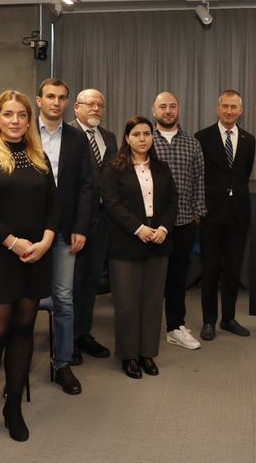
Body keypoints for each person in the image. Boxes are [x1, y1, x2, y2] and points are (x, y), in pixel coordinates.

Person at [0, 90, 61, 455]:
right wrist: (13, 242)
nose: (16, 120)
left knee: (24, 327)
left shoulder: (39, 156)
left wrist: (46, 241)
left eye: (22, 114)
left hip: (36, 255)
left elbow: (54, 203)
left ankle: (12, 406)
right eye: (8, 114)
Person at [101, 116, 178, 378]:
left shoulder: (162, 168)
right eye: (136, 134)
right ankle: (128, 356)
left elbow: (172, 202)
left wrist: (164, 230)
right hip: (126, 242)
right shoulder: (114, 169)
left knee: (153, 302)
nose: (142, 139)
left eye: (147, 134)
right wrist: (138, 228)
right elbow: (112, 205)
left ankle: (147, 354)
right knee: (126, 303)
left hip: (158, 241)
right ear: (127, 138)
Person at [36, 78, 94, 395]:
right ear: (38, 100)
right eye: (50, 96)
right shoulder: (23, 131)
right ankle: (15, 366)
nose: (56, 102)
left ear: (68, 103)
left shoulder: (76, 137)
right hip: (27, 231)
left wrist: (81, 228)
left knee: (64, 299)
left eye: (61, 98)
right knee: (24, 301)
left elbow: (87, 185)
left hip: (65, 230)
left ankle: (61, 363)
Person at [194, 90, 255, 340]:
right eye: (225, 106)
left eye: (234, 107)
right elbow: (198, 174)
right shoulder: (202, 137)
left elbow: (243, 174)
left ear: (240, 111)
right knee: (209, 271)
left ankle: (228, 319)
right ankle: (209, 321)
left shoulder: (249, 140)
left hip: (238, 215)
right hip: (210, 214)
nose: (229, 111)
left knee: (232, 270)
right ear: (217, 109)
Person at [151, 92, 206, 350]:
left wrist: (197, 213)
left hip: (184, 222)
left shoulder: (192, 144)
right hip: (151, 226)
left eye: (172, 106)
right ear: (154, 111)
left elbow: (199, 181)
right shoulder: (144, 139)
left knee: (177, 278)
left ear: (179, 109)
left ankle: (175, 326)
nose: (168, 110)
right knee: (151, 279)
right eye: (163, 106)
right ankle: (146, 328)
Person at [68, 89, 117, 362]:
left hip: (102, 220)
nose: (96, 109)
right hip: (75, 221)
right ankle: (68, 339)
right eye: (90, 104)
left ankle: (83, 333)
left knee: (90, 280)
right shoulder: (68, 134)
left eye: (100, 105)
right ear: (76, 107)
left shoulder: (108, 137)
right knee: (71, 283)